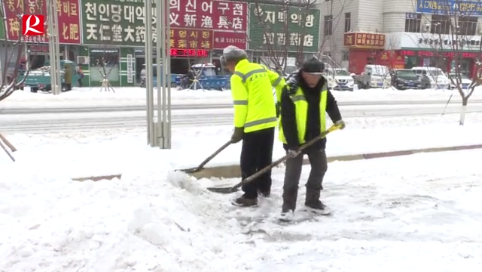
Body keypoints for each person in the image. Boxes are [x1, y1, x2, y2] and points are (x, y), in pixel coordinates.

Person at [278, 57, 345, 220]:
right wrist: (293, 145)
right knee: (293, 175)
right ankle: (287, 207)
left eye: (318, 75)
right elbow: (287, 119)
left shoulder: (322, 85)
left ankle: (312, 201)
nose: (315, 79)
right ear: (303, 73)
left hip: (316, 136)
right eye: (312, 75)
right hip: (295, 139)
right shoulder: (290, 89)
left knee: (320, 168)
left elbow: (330, 102)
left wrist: (337, 118)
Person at [220, 45, 285, 207]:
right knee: (264, 158)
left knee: (248, 161)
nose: (227, 68)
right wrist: (280, 103)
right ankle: (264, 189)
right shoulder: (260, 68)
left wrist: (238, 129)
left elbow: (241, 105)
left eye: (227, 65)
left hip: (253, 125)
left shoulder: (238, 76)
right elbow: (281, 82)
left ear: (231, 62)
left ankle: (249, 195)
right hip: (270, 122)